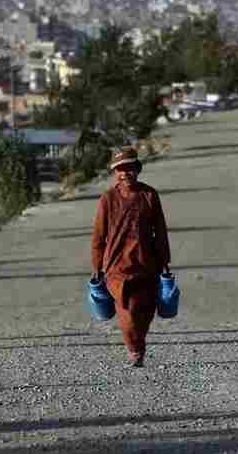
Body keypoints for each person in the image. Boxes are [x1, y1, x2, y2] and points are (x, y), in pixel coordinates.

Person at [90, 146, 171, 368]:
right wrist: (97, 267)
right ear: (115, 173)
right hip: (117, 268)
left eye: (129, 168)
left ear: (137, 169)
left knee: (144, 311)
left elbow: (160, 231)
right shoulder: (107, 199)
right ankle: (134, 350)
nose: (124, 173)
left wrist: (164, 262)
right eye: (119, 169)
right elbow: (98, 235)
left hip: (147, 264)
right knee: (127, 310)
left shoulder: (149, 195)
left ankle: (138, 346)